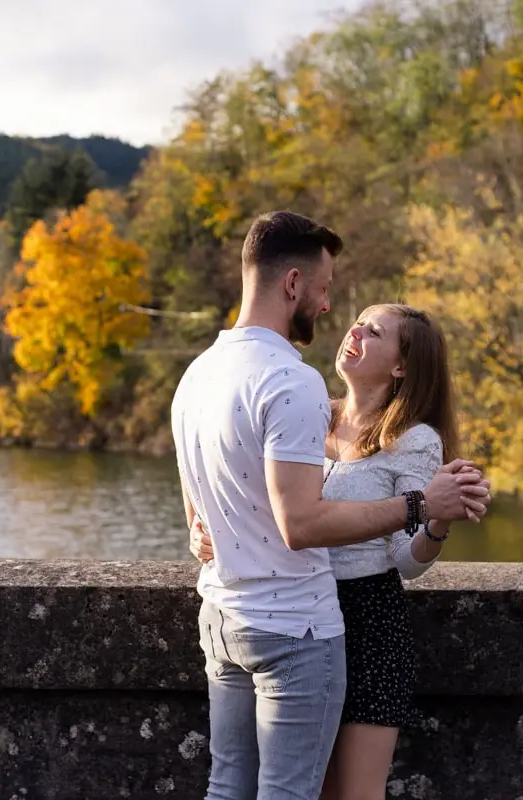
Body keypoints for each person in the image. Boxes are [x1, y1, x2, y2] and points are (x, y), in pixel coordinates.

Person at [170, 210, 492, 800]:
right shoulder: (302, 401)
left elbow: (405, 561)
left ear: (401, 365)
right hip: (297, 615)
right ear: (293, 283)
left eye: (375, 331)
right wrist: (204, 529)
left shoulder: (413, 440)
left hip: (363, 621)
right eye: (348, 312)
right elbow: (251, 499)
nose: (344, 323)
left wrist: (435, 514)